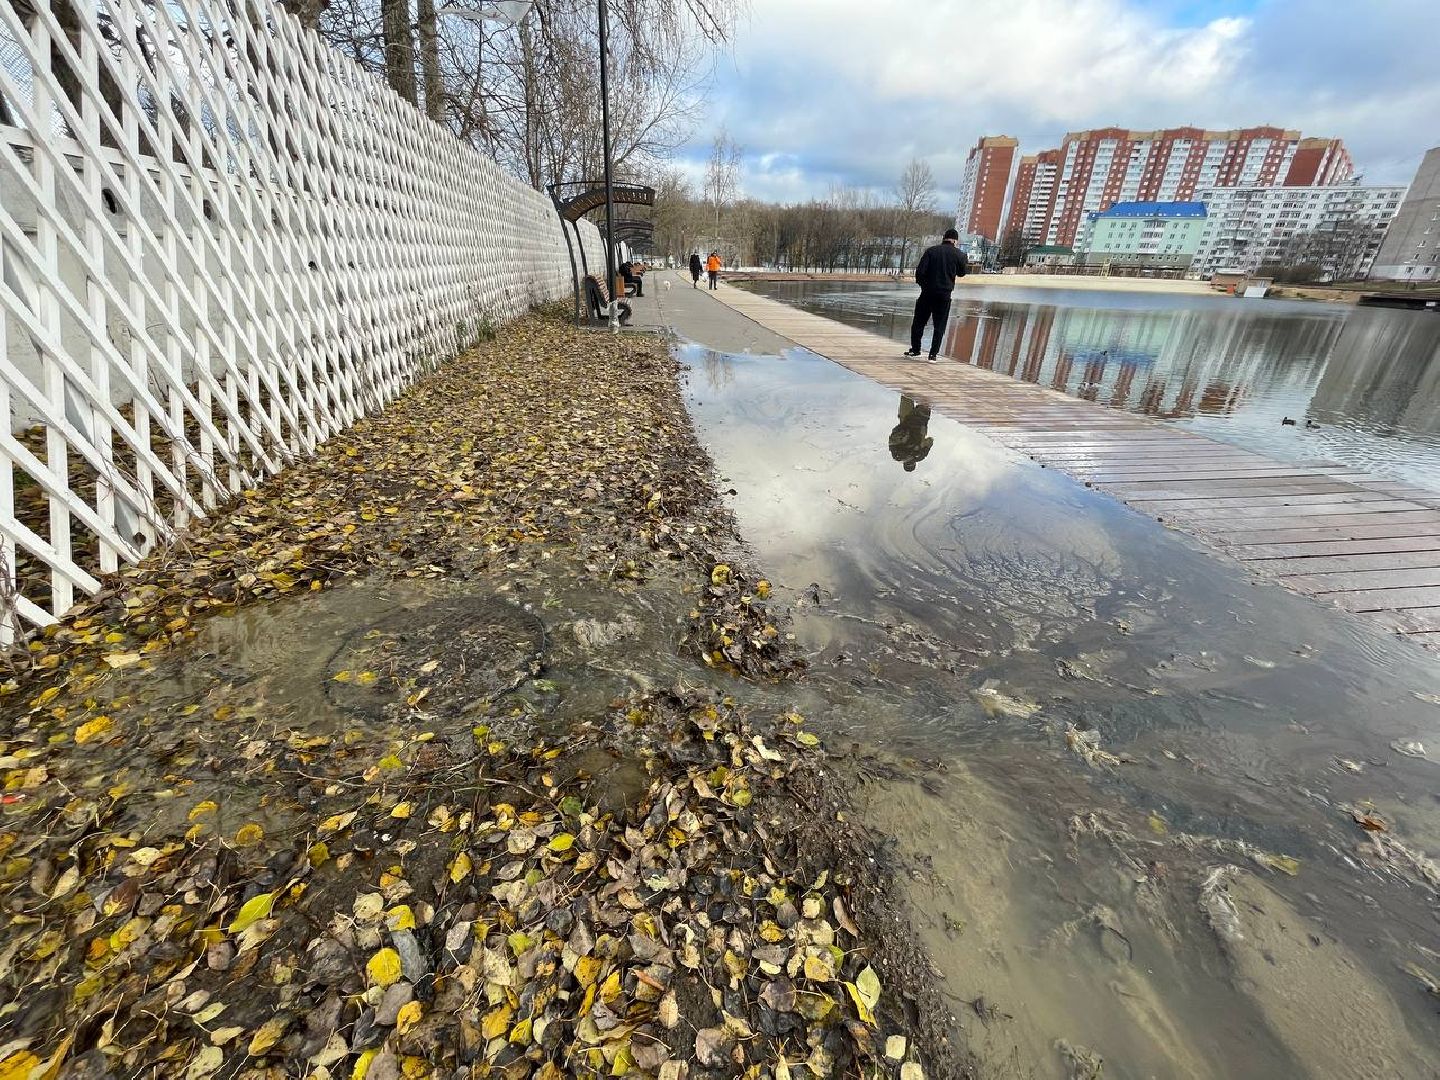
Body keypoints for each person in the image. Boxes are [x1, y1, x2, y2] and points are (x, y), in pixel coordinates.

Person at [906, 227, 969, 362]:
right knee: (939, 325)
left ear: (944, 238)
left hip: (927, 292)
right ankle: (933, 355)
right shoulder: (959, 255)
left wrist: (924, 286)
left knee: (918, 322)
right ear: (955, 241)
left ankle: (916, 350)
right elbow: (962, 273)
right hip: (945, 294)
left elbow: (920, 272)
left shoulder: (931, 251)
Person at [888, 395, 934, 472]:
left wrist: (920, 445)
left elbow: (930, 440)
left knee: (926, 399)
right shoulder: (896, 455)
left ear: (914, 464)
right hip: (905, 422)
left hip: (920, 423)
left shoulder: (920, 456)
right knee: (906, 395)